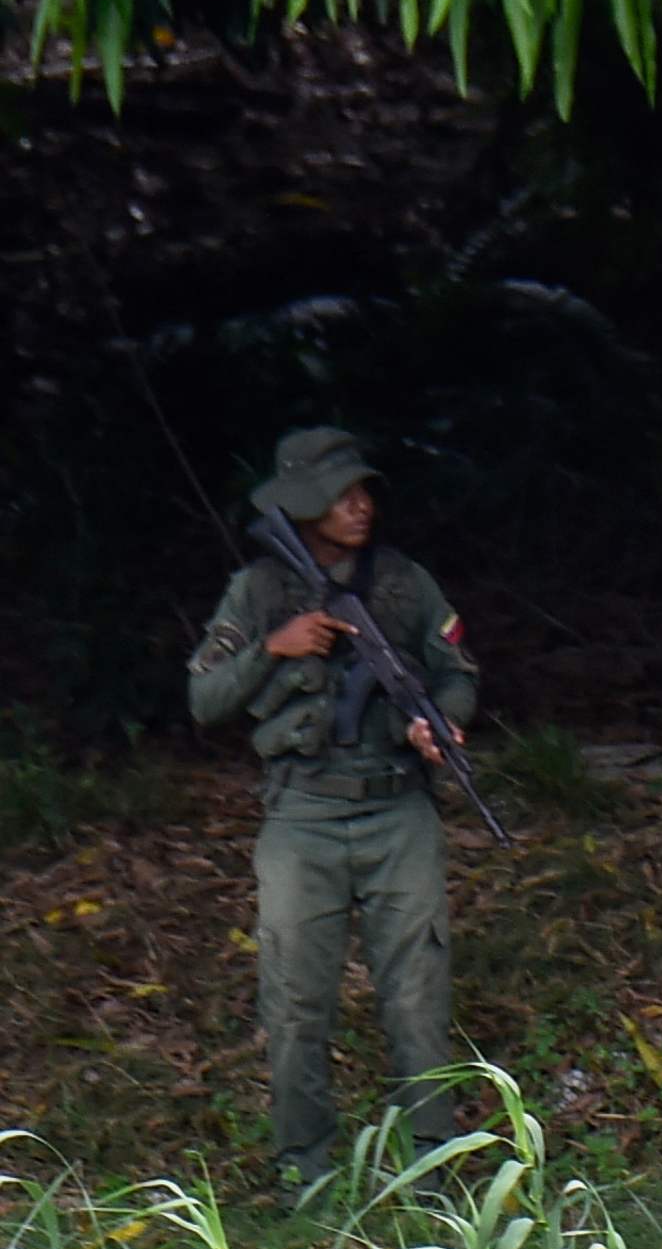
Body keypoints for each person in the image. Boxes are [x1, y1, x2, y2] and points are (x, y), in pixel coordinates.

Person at [182, 428, 478, 1197]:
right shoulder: (257, 592)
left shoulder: (405, 584)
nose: (360, 505)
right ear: (303, 503)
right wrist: (273, 648)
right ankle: (304, 1172)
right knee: (294, 1000)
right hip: (301, 817)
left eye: (364, 490)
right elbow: (204, 699)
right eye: (342, 494)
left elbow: (457, 673)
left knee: (417, 996)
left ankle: (431, 1172)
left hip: (398, 810)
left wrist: (440, 722)